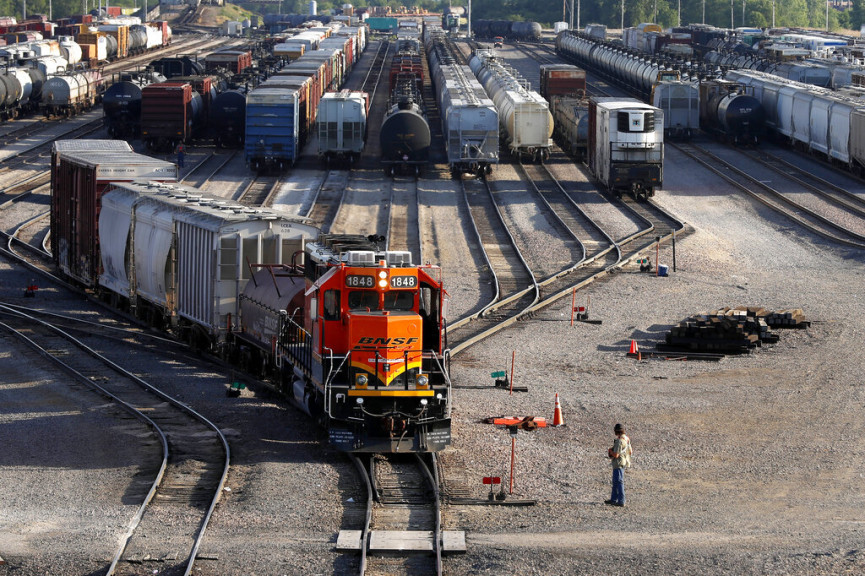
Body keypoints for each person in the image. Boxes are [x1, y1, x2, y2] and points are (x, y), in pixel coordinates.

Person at [605, 423, 633, 507]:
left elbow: (616, 455)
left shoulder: (620, 441)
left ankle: (621, 500)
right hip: (624, 461)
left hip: (618, 463)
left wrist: (610, 452)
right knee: (616, 481)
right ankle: (614, 499)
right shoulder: (627, 439)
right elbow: (630, 451)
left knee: (618, 482)